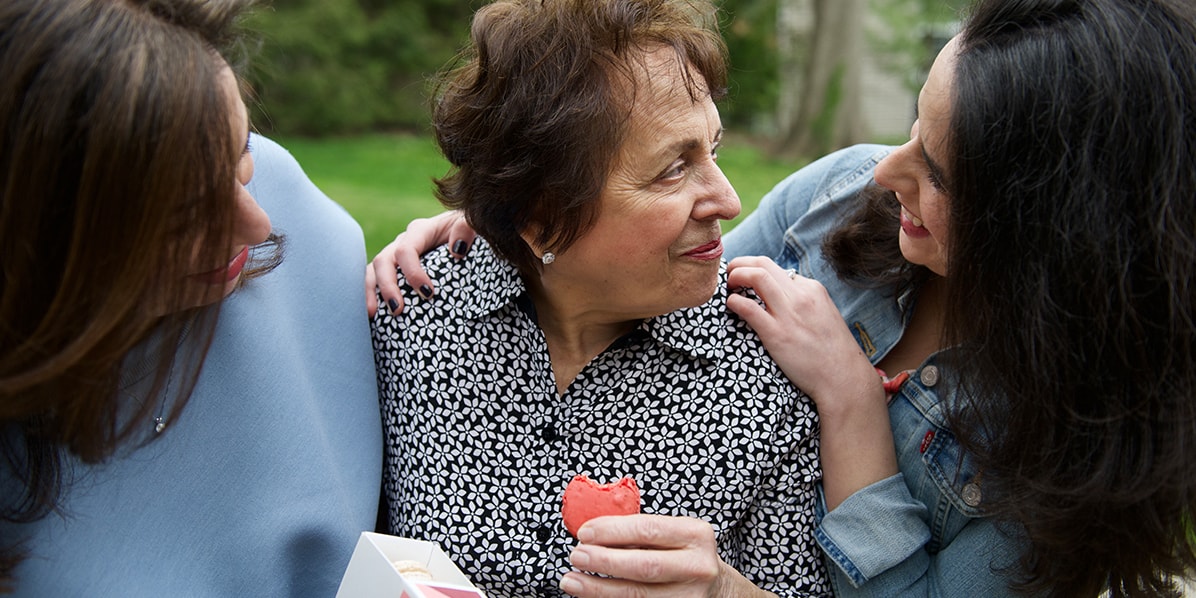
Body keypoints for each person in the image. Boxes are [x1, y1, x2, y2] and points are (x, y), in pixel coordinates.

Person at [372, 0, 1196, 596]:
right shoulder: (840, 197)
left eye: (937, 172)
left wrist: (847, 401)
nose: (882, 173)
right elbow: (654, 250)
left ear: (1048, 235)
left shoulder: (1075, 452)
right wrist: (508, 216)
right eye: (914, 126)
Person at [369, 0, 828, 596]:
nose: (727, 199)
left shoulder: (763, 370)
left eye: (713, 150)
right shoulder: (411, 316)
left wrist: (726, 591)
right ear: (540, 217)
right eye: (672, 169)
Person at [0, 0, 381, 595]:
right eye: (183, 211)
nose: (258, 225)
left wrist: (494, 238)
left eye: (241, 153)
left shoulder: (301, 221)